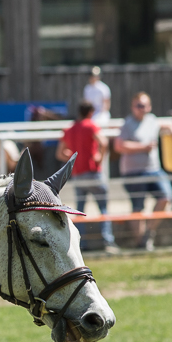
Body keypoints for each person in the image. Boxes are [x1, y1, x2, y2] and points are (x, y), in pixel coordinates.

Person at [114, 91, 172, 251]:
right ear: (133, 107)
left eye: (144, 105)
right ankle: (141, 244)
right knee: (138, 208)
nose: (142, 108)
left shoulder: (153, 120)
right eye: (138, 105)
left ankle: (148, 234)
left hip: (154, 170)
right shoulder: (128, 123)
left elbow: (165, 124)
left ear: (150, 106)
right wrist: (143, 147)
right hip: (133, 172)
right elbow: (119, 146)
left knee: (165, 198)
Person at [57, 100, 115, 252]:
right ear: (90, 112)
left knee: (80, 210)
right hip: (93, 173)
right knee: (103, 208)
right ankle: (107, 241)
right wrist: (99, 158)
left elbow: (60, 153)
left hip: (77, 175)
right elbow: (104, 142)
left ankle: (80, 243)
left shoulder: (69, 129)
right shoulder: (91, 125)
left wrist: (72, 159)